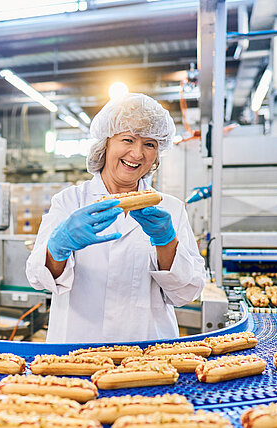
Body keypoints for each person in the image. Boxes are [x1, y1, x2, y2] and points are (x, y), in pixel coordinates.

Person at [25, 93, 205, 343]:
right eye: (128, 139)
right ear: (106, 143)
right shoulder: (69, 202)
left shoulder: (170, 209)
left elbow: (187, 292)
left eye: (150, 144)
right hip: (77, 350)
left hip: (147, 352)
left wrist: (167, 242)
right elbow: (38, 278)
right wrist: (59, 247)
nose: (137, 153)